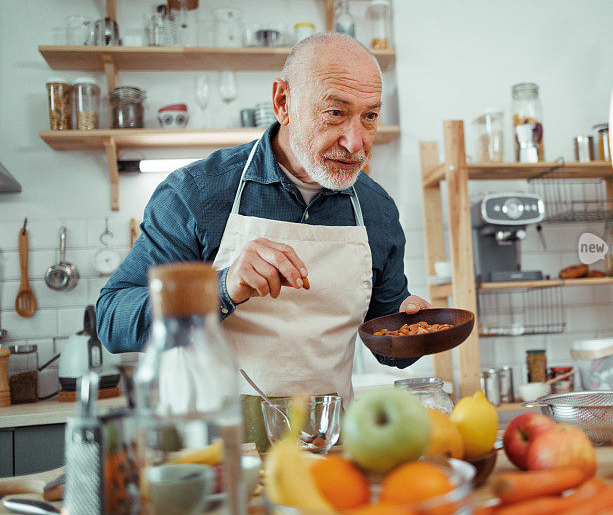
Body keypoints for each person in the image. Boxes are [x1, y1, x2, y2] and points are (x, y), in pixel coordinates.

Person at [97, 33, 431, 448]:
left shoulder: (377, 209)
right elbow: (111, 318)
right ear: (283, 103)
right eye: (335, 113)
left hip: (325, 448)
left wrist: (411, 326)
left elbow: (386, 344)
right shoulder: (196, 193)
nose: (355, 142)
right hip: (209, 449)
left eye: (369, 117)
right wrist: (220, 288)